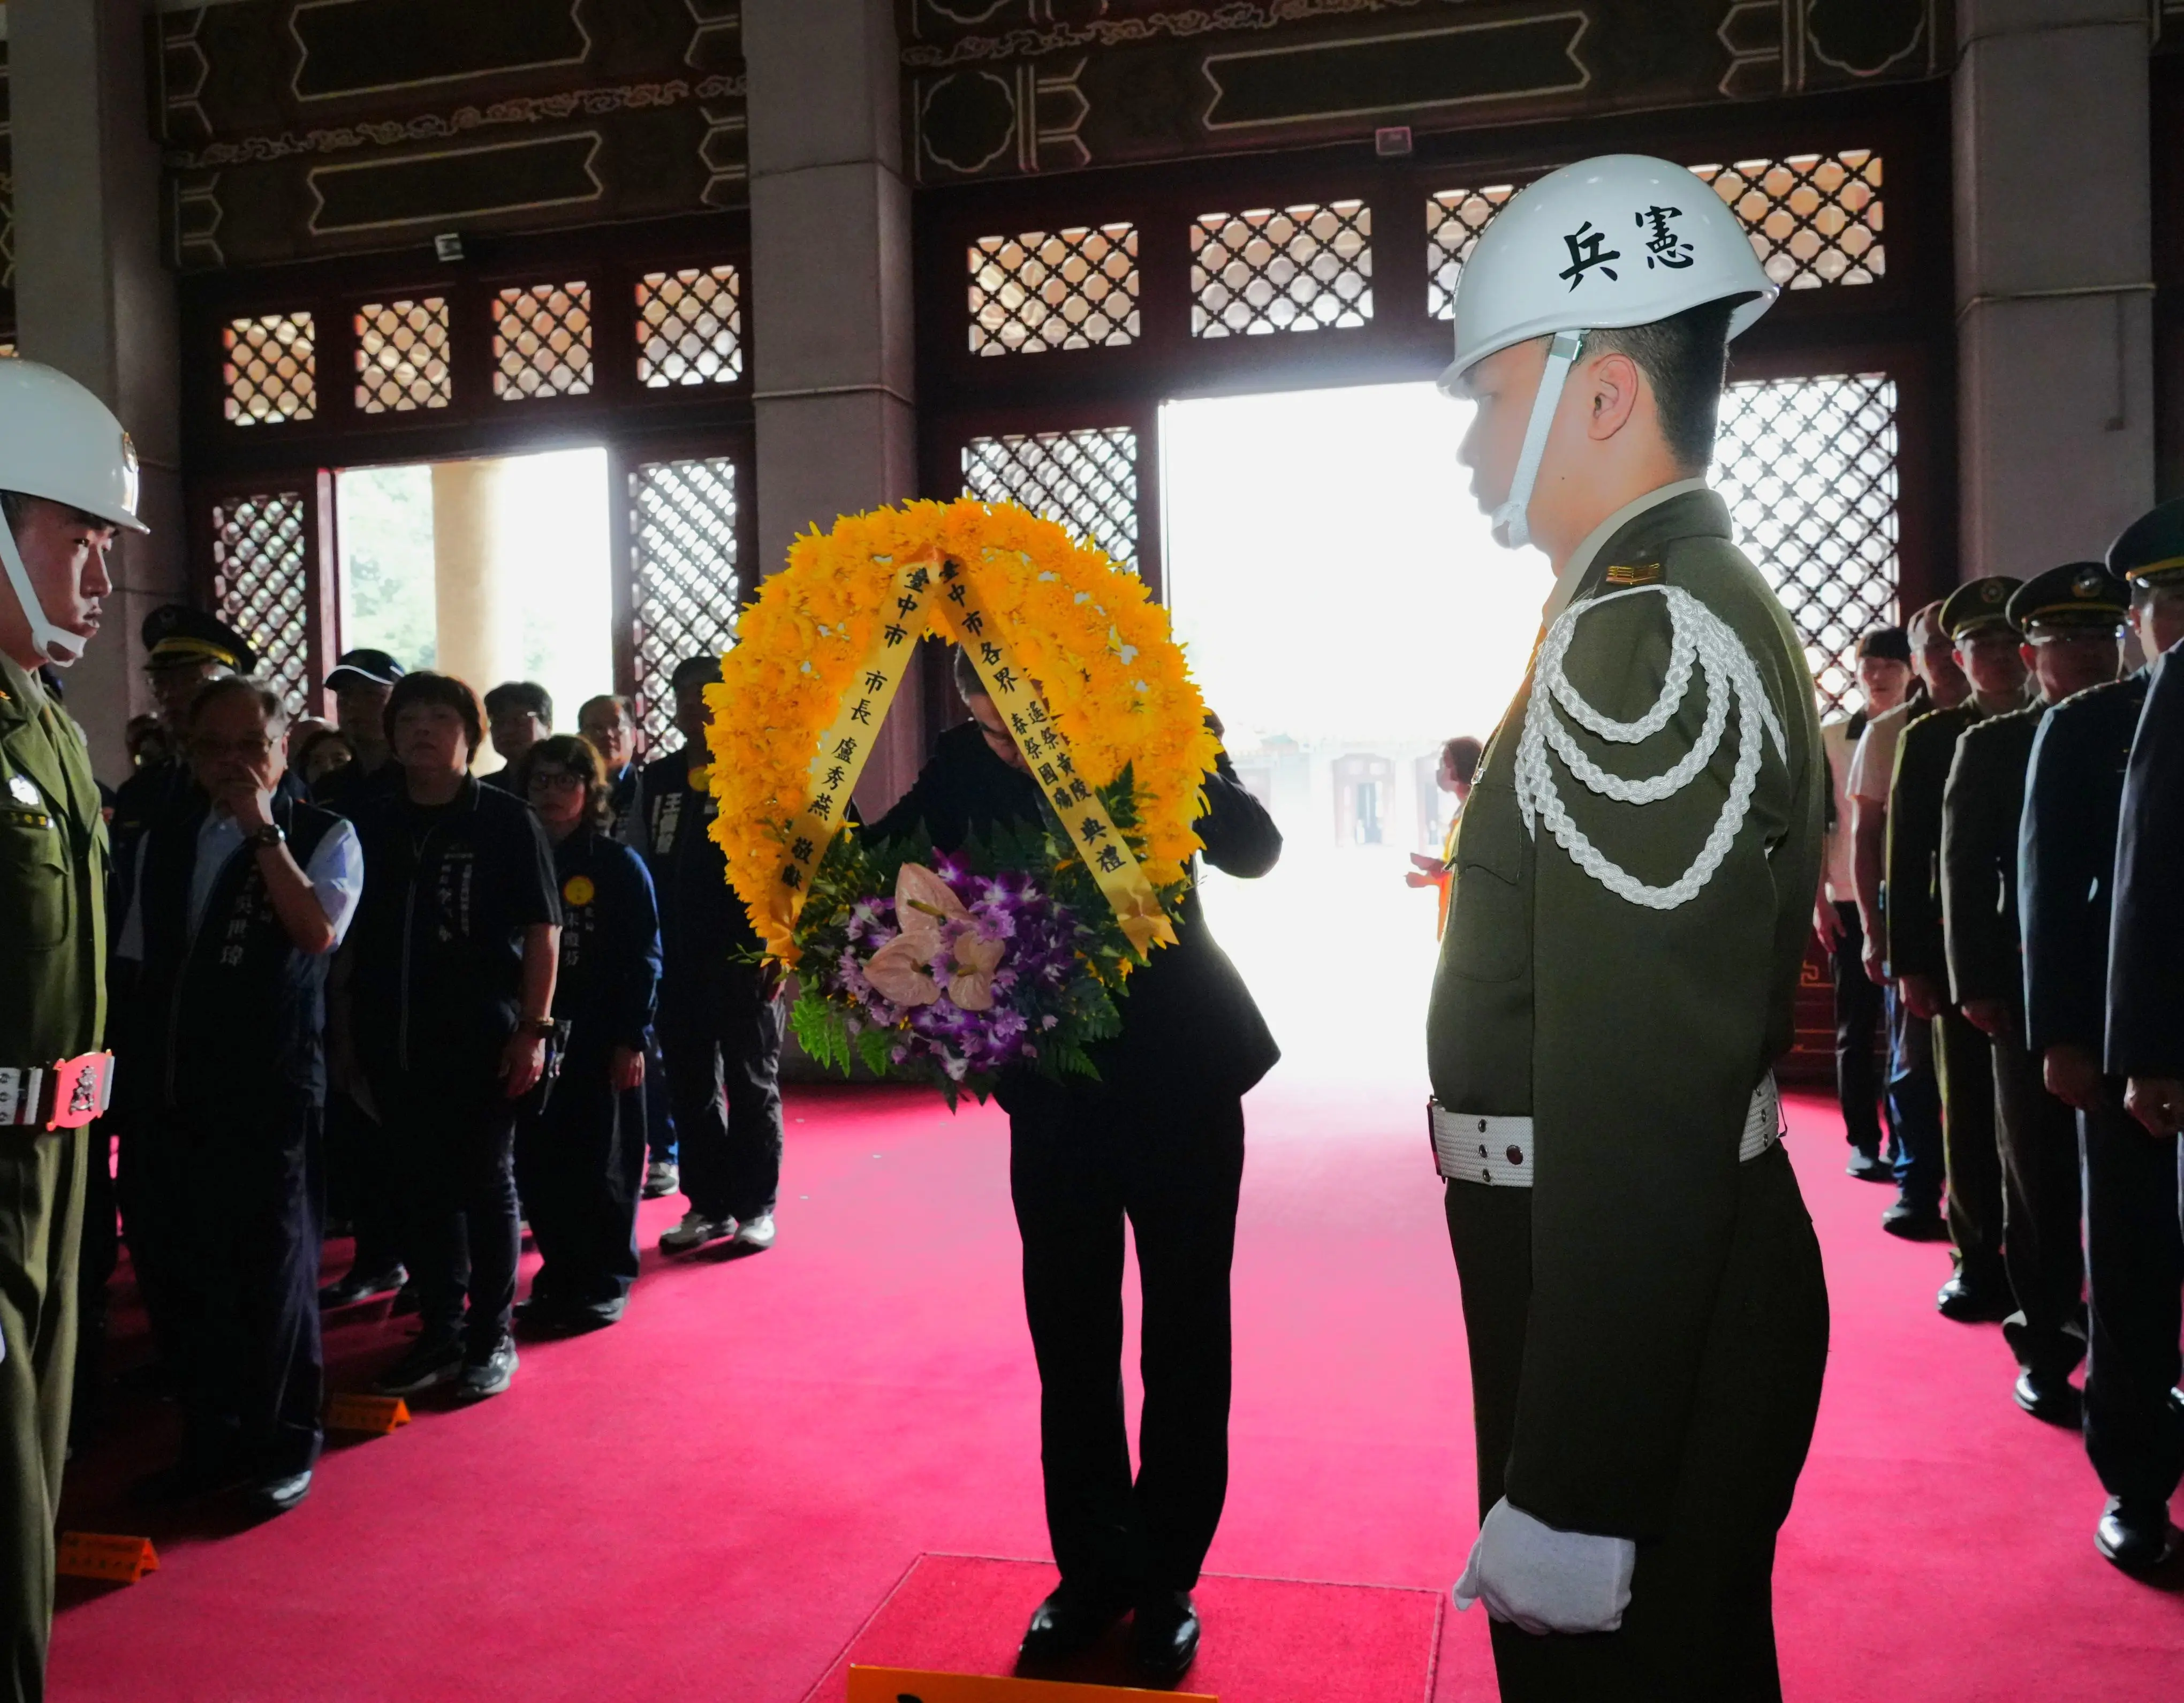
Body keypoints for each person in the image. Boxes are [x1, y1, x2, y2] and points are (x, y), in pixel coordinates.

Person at [1428, 156, 1826, 1699]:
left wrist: (1575, 1483)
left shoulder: (1645, 640)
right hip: (1642, 1281)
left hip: (1626, 1298)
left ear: (1601, 395)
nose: (1471, 443)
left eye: (1492, 392)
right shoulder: (1662, 605)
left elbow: (1643, 1102)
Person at [871, 646, 1280, 1685]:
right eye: (988, 719)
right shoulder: (964, 763)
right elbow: (885, 865)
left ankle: (1169, 1580)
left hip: (1184, 1071)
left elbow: (1254, 847)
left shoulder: (1153, 732)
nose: (1008, 739)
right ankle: (1092, 1574)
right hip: (1056, 1097)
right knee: (1072, 1340)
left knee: (1187, 1334)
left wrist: (1170, 757)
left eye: (1024, 717)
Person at [119, 677, 360, 1517]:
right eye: (212, 748)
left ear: (281, 746)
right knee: (182, 1269)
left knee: (269, 1273)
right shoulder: (166, 835)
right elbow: (141, 963)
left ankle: (283, 1444)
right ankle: (208, 1439)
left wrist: (262, 831)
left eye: (248, 747)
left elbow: (317, 932)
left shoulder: (326, 833)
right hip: (170, 1087)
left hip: (269, 1089)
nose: (230, 764)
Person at [0, 358, 140, 1703]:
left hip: (50, 1179)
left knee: (29, 1498)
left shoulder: (40, 726)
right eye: (78, 540)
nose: (98, 580)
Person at [2021, 505, 2184, 1570]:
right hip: (2137, 1050)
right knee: (2130, 1269)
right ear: (2141, 617)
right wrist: (2070, 1038)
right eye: (2166, 602)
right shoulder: (2089, 725)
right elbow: (2062, 898)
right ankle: (2135, 1480)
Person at [342, 672, 560, 1401]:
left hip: (481, 1037)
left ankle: (491, 1333)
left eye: (440, 718)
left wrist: (533, 1030)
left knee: (485, 1183)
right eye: (410, 719)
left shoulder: (503, 819)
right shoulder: (371, 820)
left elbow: (543, 931)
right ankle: (439, 1328)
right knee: (417, 1188)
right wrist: (346, 1040)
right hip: (393, 1037)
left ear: (471, 735)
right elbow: (348, 941)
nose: (422, 730)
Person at [1943, 565, 2126, 1422]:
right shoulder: (1996, 743)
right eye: (2065, 642)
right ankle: (2049, 1340)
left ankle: (2132, 1342)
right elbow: (1963, 868)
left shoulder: (2148, 721)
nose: (2087, 655)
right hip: (2028, 992)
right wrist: (1973, 982)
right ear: (2030, 654)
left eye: (2101, 638)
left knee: (2134, 1180)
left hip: (2134, 990)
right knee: (2040, 1177)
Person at [1885, 577, 2029, 1319]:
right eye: (1981, 645)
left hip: (2046, 958)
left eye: (2010, 642)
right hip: (1960, 957)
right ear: (1957, 658)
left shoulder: (2058, 720)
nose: (1999, 657)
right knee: (1968, 1109)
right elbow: (1906, 859)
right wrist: (1910, 962)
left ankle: (2046, 1260)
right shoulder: (1932, 737)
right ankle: (1977, 1256)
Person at [511, 735, 659, 1331]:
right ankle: (560, 1273)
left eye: (565, 781)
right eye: (541, 781)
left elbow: (645, 955)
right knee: (542, 1162)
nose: (552, 792)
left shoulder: (616, 865)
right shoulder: (516, 856)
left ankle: (604, 1280)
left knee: (605, 1161)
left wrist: (633, 1036)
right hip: (535, 1033)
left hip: (601, 1034)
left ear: (590, 792)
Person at [638, 656, 785, 1255]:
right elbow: (638, 862)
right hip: (676, 960)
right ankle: (708, 1204)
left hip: (748, 957)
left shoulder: (765, 771)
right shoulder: (659, 778)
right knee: (690, 1087)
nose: (700, 705)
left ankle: (757, 1206)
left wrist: (784, 946)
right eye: (688, 695)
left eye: (713, 694)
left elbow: (793, 869)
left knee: (752, 1083)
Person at [1852, 602, 1960, 1237]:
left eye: (1959, 644)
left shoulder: (2013, 719)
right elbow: (1866, 838)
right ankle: (1919, 1187)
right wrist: (1873, 927)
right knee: (1914, 1063)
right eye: (1936, 648)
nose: (1948, 658)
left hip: (1992, 926)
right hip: (1916, 921)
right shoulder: (1890, 732)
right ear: (1918, 661)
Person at [1817, 627, 1913, 1182]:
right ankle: (1862, 1139)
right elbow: (1816, 823)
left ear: (1910, 670)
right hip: (1848, 896)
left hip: (1910, 896)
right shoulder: (1833, 735)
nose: (1876, 675)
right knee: (1856, 1025)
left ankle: (1909, 1141)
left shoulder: (1923, 728)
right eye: (1868, 665)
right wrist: (1818, 901)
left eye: (1888, 665)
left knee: (1911, 1033)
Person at [579, 692, 674, 1198]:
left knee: (649, 1050)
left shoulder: (653, 787)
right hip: (589, 937)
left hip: (642, 931)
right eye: (594, 727)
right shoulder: (579, 791)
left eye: (616, 726)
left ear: (634, 734)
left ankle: (664, 1151)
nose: (607, 736)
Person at [1406, 733, 1483, 938]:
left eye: (1445, 764)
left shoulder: (1474, 813)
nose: (1440, 771)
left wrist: (1434, 867)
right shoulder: (1462, 811)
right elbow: (1453, 869)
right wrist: (1427, 878)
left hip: (1467, 924)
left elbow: (1469, 870)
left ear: (1461, 767)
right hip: (1452, 916)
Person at [312, 648, 403, 815]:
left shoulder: (420, 781)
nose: (354, 704)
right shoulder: (328, 788)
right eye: (345, 695)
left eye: (371, 694)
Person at [482, 679, 552, 790]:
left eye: (521, 718)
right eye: (497, 721)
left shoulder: (565, 786)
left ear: (548, 726)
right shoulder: (482, 791)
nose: (507, 730)